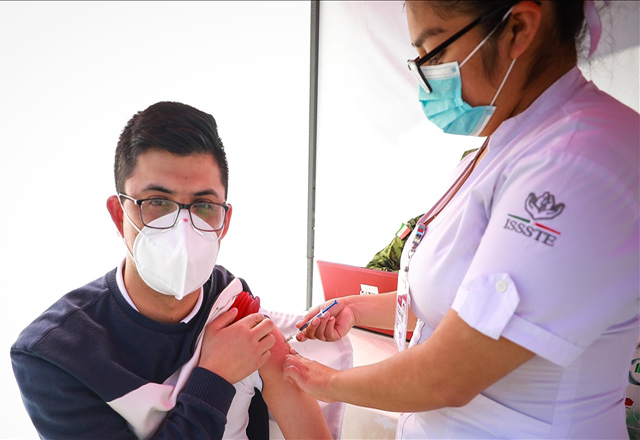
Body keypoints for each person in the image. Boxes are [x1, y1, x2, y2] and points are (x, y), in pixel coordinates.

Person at [283, 1, 639, 438]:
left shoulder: (578, 160)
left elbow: (450, 374)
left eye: (433, 52)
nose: (424, 75)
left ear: (518, 29)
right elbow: (464, 301)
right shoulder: (505, 143)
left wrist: (322, 380)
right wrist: (356, 308)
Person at [11, 101, 331, 439]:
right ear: (120, 215)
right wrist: (215, 377)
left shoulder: (231, 304)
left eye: (204, 205)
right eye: (158, 202)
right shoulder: (54, 354)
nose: (182, 228)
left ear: (224, 222)